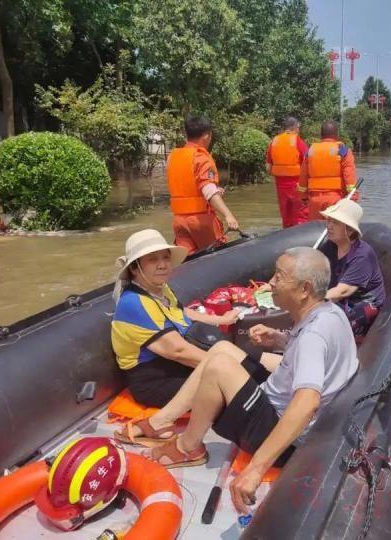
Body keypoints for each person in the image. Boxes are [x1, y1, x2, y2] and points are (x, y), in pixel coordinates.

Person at [129, 247, 357, 513]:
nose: (271, 282)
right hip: (278, 396)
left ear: (305, 289)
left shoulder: (313, 336)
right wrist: (281, 340)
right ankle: (163, 421)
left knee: (218, 366)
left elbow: (308, 402)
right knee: (221, 350)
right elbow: (317, 356)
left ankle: (187, 446)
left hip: (279, 431)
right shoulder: (329, 314)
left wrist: (256, 468)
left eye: (279, 276)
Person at [110, 229, 240, 430]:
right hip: (155, 380)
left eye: (165, 258)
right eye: (153, 260)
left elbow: (183, 312)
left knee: (233, 360)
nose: (162, 265)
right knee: (225, 387)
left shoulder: (160, 289)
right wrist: (233, 368)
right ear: (135, 268)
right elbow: (178, 351)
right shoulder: (133, 303)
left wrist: (221, 319)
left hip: (174, 365)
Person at [167, 116, 239, 255]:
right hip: (200, 221)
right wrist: (228, 215)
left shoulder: (173, 157)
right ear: (207, 136)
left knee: (187, 262)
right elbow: (209, 190)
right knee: (217, 257)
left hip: (179, 221)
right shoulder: (201, 158)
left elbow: (186, 185)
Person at [318, 199, 385, 338]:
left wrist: (310, 301)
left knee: (327, 328)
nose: (329, 226)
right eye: (329, 221)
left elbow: (343, 291)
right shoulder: (330, 246)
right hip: (339, 300)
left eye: (335, 223)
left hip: (362, 302)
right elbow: (309, 266)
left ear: (349, 229)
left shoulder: (362, 255)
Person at [299, 121, 358, 221]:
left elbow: (303, 176)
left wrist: (303, 197)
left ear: (321, 135)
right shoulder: (342, 150)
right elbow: (349, 176)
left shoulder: (311, 151)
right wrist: (353, 197)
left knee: (315, 230)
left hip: (314, 200)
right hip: (335, 199)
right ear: (336, 135)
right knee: (334, 232)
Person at [266, 117, 309, 228]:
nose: (299, 130)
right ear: (294, 127)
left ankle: (287, 235)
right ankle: (301, 235)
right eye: (298, 127)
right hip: (297, 183)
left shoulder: (273, 142)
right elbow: (309, 161)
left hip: (280, 184)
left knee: (285, 214)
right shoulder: (298, 141)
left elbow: (268, 167)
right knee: (301, 213)